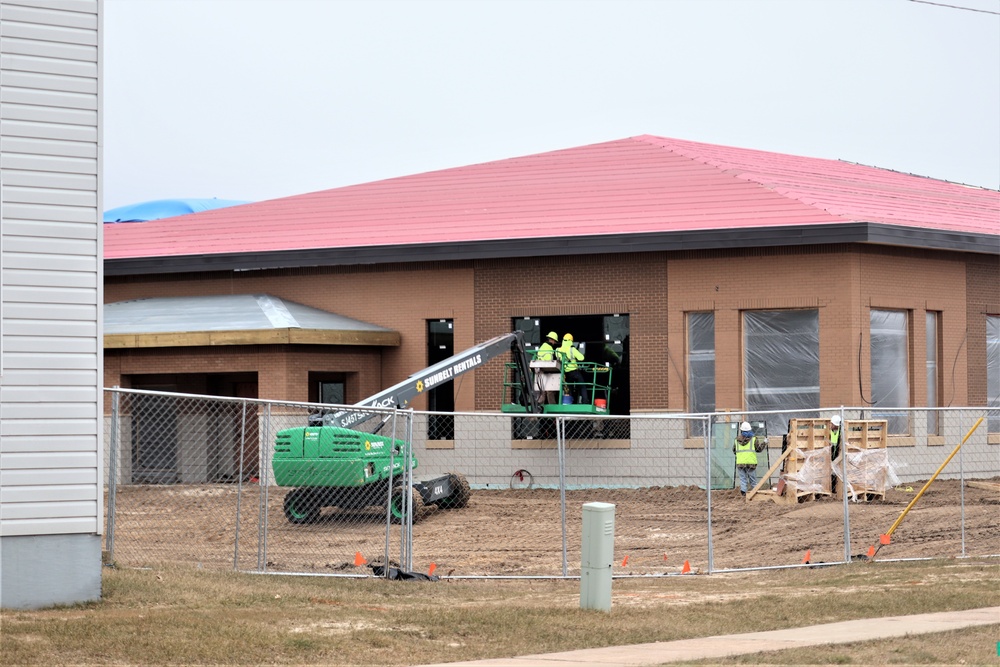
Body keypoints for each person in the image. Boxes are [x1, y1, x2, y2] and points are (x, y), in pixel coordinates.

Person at [733, 421, 765, 496]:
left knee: (743, 479)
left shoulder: (736, 440)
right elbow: (758, 449)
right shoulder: (754, 439)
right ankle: (755, 492)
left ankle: (743, 493)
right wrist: (764, 443)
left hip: (740, 462)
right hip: (751, 463)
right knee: (753, 480)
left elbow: (734, 450)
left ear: (741, 430)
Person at [557, 332, 587, 404]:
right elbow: (581, 358)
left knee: (569, 388)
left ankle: (568, 402)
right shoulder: (572, 349)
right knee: (582, 386)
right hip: (574, 371)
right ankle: (585, 401)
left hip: (566, 373)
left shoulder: (558, 350)